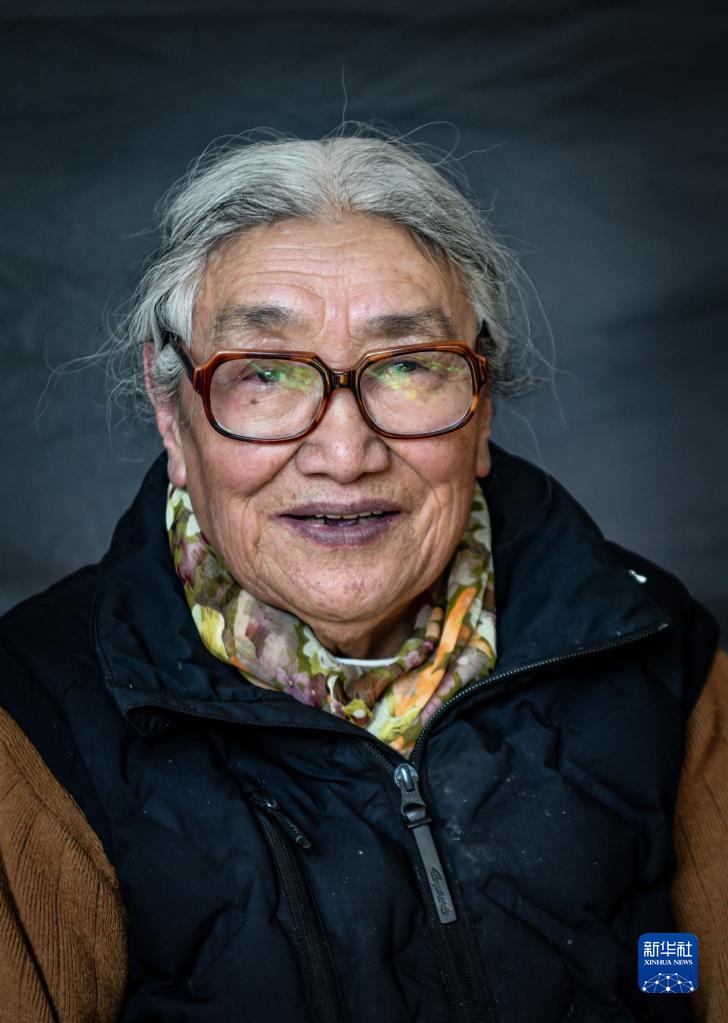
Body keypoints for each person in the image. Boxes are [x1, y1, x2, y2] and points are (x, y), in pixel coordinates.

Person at [0, 133, 725, 1023]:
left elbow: (686, 976)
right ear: (172, 415)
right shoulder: (30, 724)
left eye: (410, 365)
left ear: (481, 408)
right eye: (265, 372)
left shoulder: (667, 660)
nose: (345, 453)